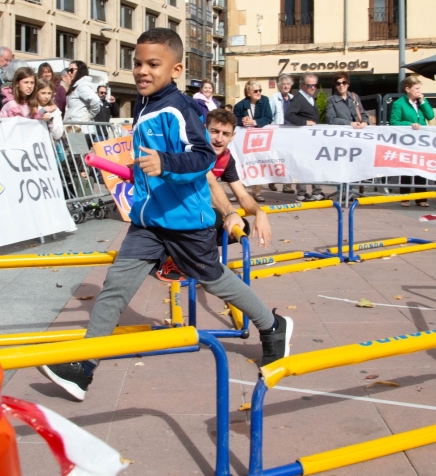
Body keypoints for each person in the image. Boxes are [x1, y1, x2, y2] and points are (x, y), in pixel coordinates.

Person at [38, 28, 292, 401]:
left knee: (215, 280)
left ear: (175, 70)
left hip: (185, 221)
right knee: (115, 288)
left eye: (153, 64)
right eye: (137, 63)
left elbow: (203, 156)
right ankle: (82, 367)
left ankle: (272, 326)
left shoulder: (178, 107)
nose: (142, 71)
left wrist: (165, 162)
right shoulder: (145, 106)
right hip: (149, 221)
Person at [206, 108, 271, 247]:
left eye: (225, 134)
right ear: (204, 130)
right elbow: (210, 183)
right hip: (170, 211)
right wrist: (230, 213)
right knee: (211, 223)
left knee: (242, 227)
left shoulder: (227, 159)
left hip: (194, 211)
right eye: (214, 131)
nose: (219, 139)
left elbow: (242, 196)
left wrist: (260, 212)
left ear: (232, 136)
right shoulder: (195, 151)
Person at [389, 75, 434, 207]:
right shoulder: (399, 104)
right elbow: (394, 122)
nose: (419, 91)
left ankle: (421, 198)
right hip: (407, 141)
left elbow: (430, 116)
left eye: (420, 88)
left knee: (420, 168)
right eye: (416, 88)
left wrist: (423, 102)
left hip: (421, 140)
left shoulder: (421, 102)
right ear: (408, 89)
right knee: (407, 168)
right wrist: (409, 124)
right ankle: (405, 197)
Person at [285, 73, 324, 202]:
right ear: (302, 85)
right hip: (302, 138)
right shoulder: (299, 98)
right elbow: (289, 115)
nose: (313, 88)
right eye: (310, 86)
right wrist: (305, 122)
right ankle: (302, 193)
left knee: (313, 164)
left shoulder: (310, 98)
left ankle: (315, 191)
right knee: (303, 165)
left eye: (315, 85)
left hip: (311, 139)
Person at [233, 80, 273, 203]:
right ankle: (240, 192)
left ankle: (257, 192)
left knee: (258, 163)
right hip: (244, 140)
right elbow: (234, 119)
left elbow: (268, 118)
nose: (258, 93)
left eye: (260, 90)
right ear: (248, 93)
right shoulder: (240, 105)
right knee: (243, 164)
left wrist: (254, 122)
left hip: (260, 139)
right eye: (255, 91)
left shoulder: (265, 101)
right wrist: (243, 121)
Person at [269, 73, 296, 193]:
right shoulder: (274, 98)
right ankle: (272, 180)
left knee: (288, 158)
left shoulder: (293, 98)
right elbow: (270, 115)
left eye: (288, 84)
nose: (286, 86)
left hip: (290, 133)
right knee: (277, 158)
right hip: (278, 132)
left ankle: (287, 185)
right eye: (283, 84)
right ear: (280, 86)